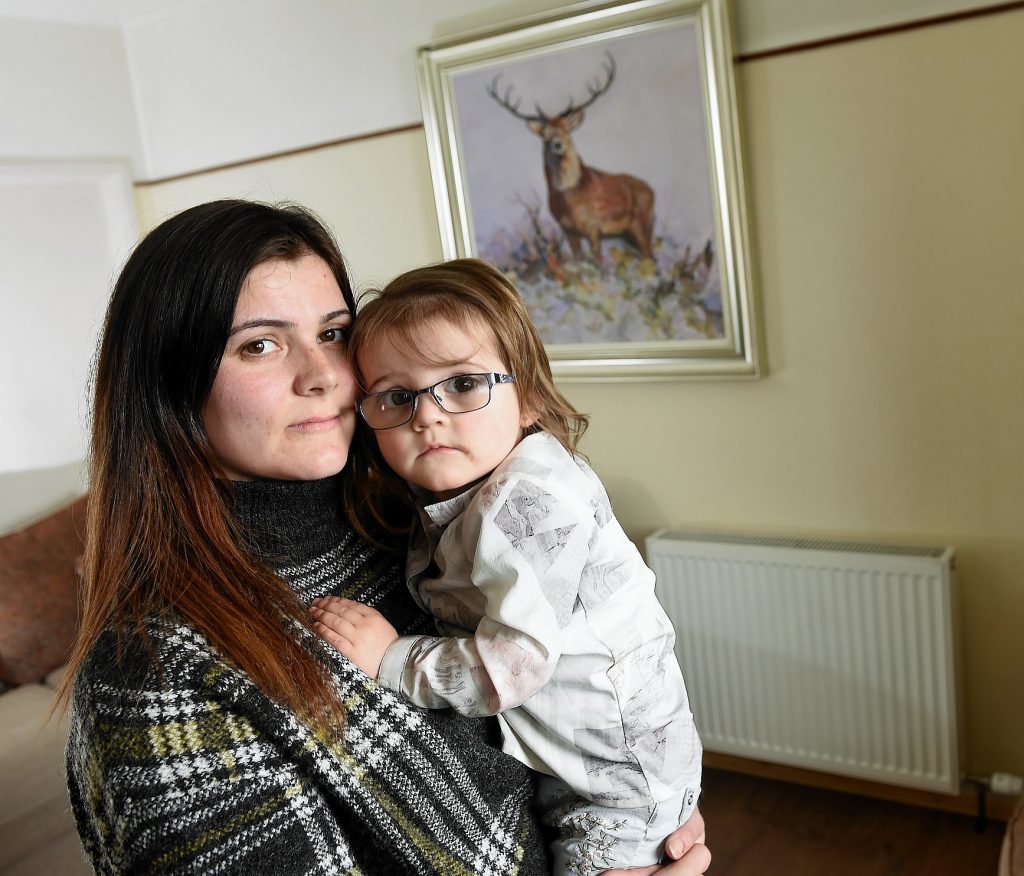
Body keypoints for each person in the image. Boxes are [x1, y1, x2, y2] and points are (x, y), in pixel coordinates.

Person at [57, 199, 710, 875]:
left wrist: (648, 812)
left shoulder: (419, 522)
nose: (325, 377)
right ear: (168, 385)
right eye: (260, 344)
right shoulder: (154, 675)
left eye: (335, 334)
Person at [310, 259, 703, 875]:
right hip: (585, 764)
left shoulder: (525, 503)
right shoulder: (457, 493)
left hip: (614, 785)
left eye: (464, 384)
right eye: (396, 395)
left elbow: (513, 666)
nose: (428, 414)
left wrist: (391, 660)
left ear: (530, 401)